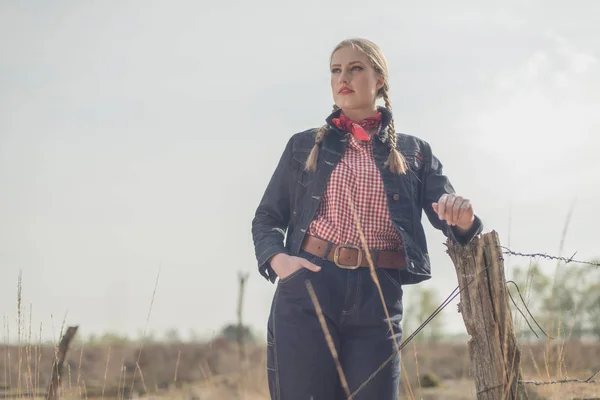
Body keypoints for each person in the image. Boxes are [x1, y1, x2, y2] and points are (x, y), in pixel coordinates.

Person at [251, 38, 483, 400]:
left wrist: (462, 216)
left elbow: (452, 220)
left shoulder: (414, 152)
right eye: (336, 70)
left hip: (378, 295)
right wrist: (281, 262)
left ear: (380, 80)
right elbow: (267, 217)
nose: (343, 77)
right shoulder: (303, 145)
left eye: (355, 68)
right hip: (309, 285)